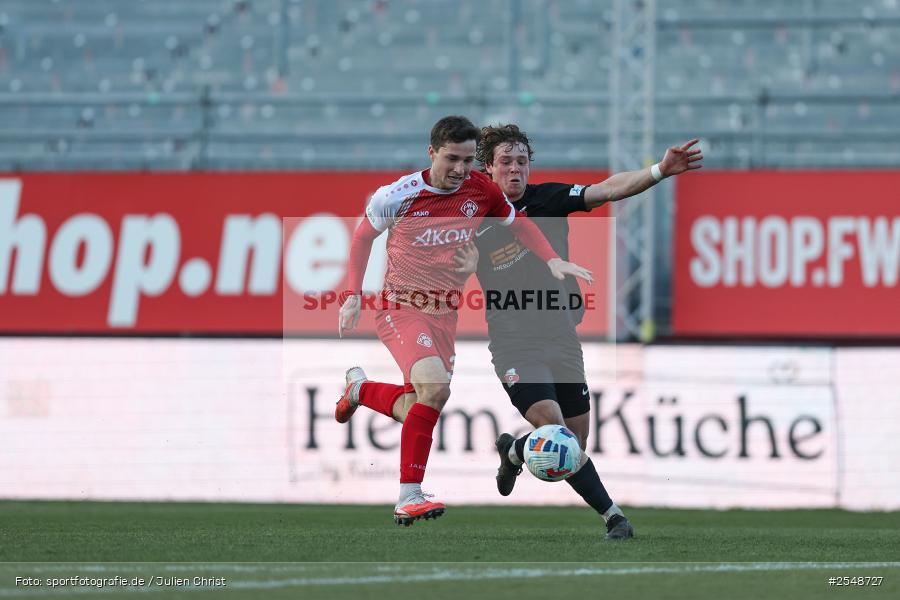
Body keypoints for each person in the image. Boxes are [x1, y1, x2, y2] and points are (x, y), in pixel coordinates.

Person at [335, 116, 593, 526]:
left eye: (469, 160)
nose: (459, 169)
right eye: (452, 159)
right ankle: (409, 496)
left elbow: (519, 224)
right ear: (432, 152)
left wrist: (554, 260)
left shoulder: (482, 189)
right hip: (401, 306)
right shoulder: (398, 195)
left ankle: (361, 389)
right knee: (434, 389)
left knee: (417, 405)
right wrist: (352, 296)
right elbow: (362, 237)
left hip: (444, 314)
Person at [471, 123, 703, 540]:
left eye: (522, 161)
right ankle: (614, 517)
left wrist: (658, 171)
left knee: (573, 445)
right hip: (513, 343)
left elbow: (608, 189)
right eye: (505, 161)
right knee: (553, 428)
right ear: (488, 168)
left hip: (561, 338)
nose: (515, 169)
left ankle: (513, 449)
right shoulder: (475, 218)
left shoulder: (549, 198)